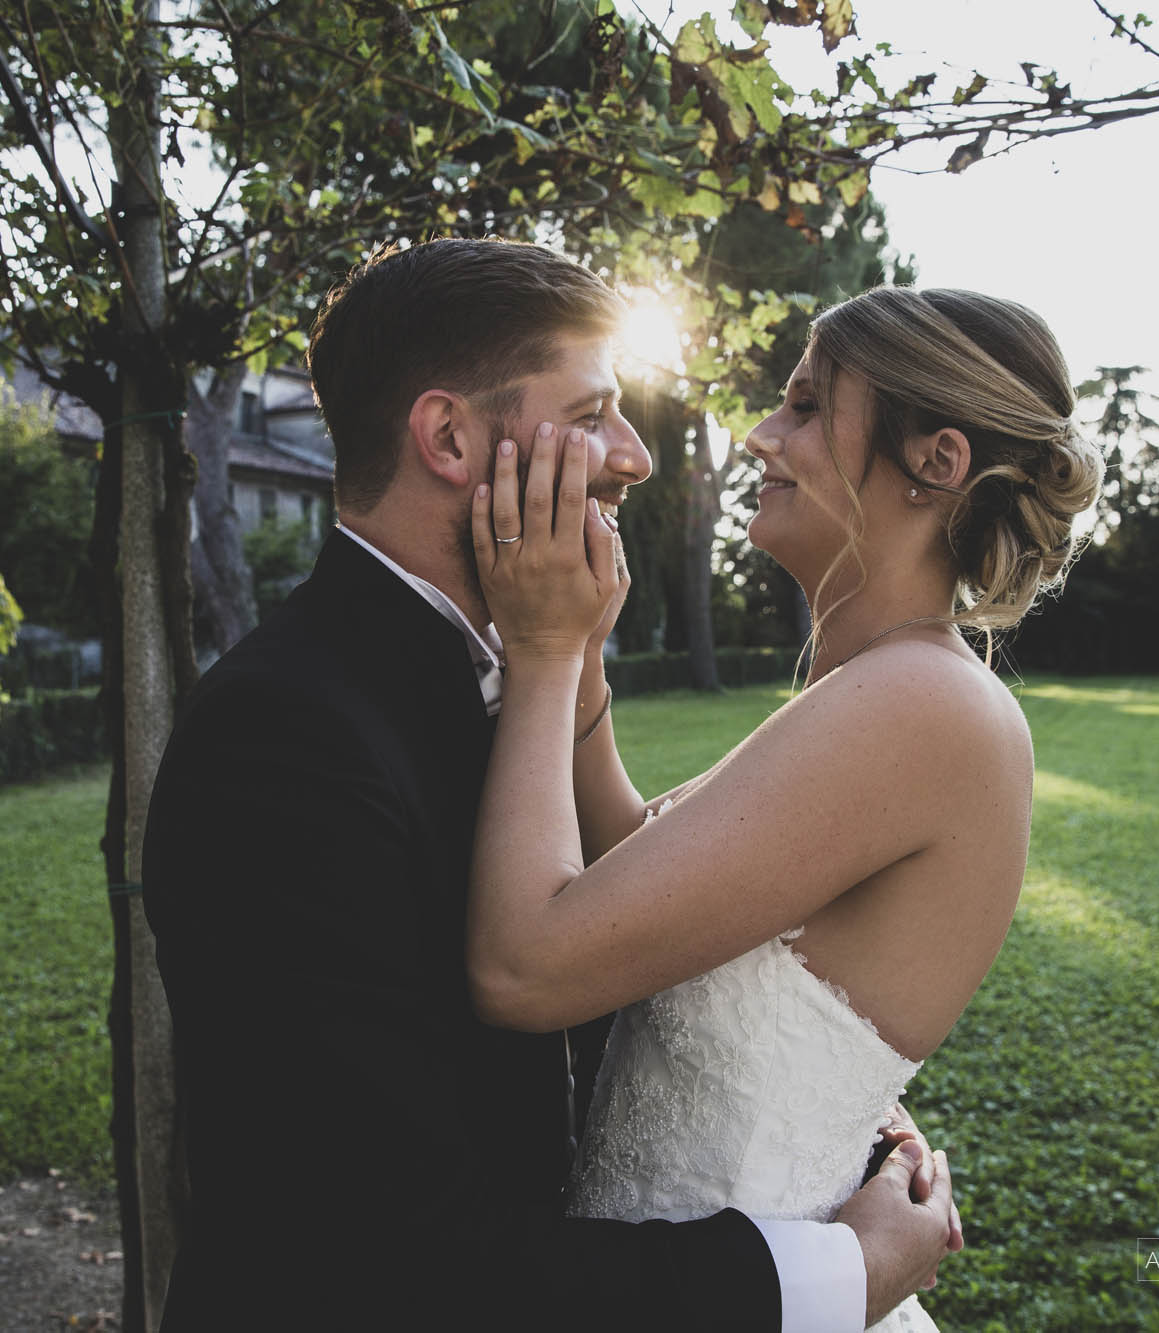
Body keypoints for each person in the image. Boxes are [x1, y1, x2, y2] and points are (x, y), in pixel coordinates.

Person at [141, 240, 957, 1331]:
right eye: (591, 415)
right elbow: (396, 1262)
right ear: (445, 438)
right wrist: (834, 1275)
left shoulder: (517, 675)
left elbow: (631, 971)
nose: (634, 458)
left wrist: (826, 1113)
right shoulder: (287, 739)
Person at [466, 286, 1105, 1333]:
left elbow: (527, 964)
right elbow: (634, 860)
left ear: (933, 463)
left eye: (806, 407)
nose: (761, 433)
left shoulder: (920, 704)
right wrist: (579, 656)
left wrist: (535, 653)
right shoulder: (873, 689)